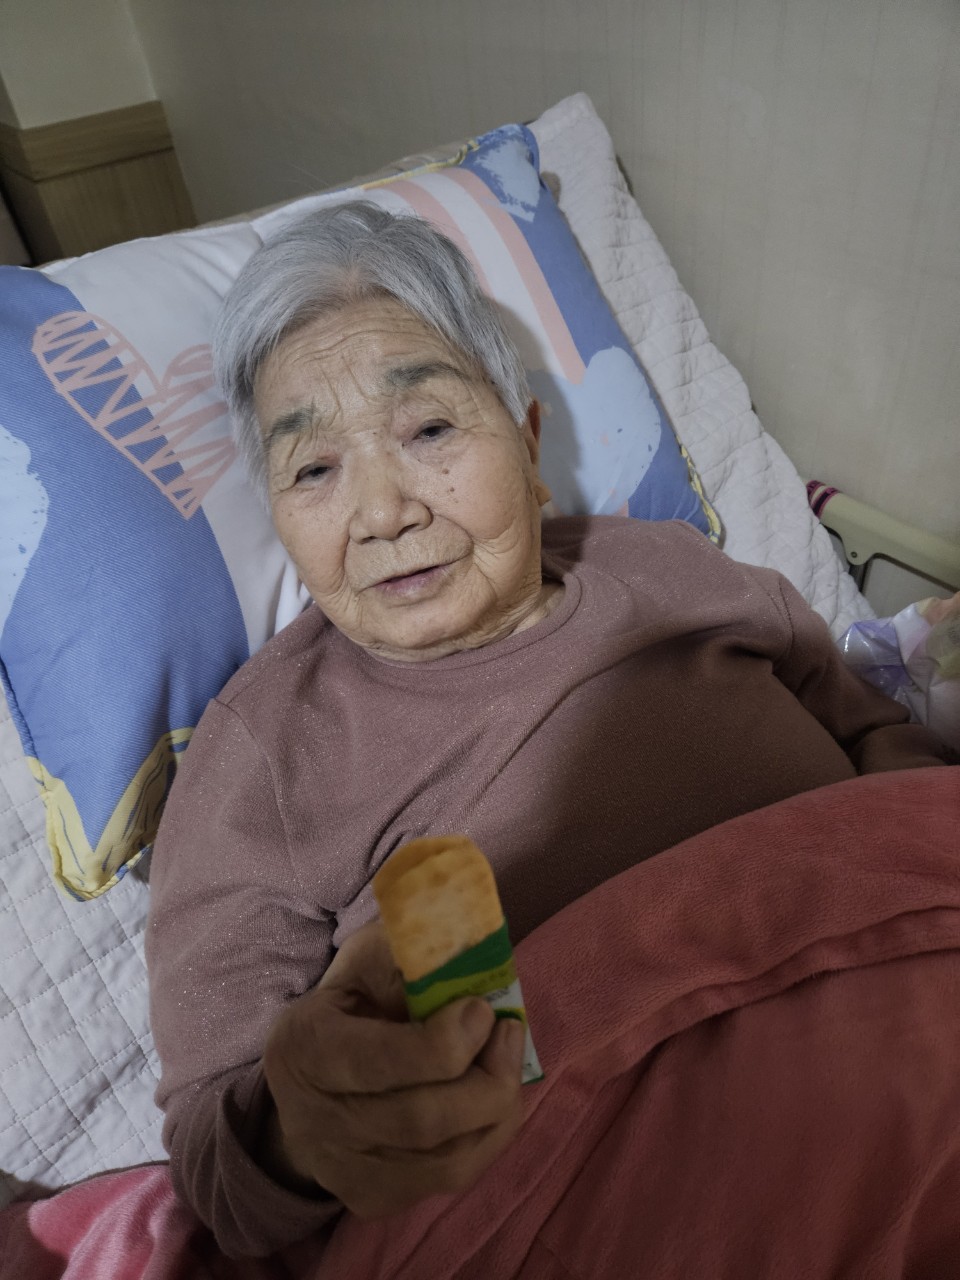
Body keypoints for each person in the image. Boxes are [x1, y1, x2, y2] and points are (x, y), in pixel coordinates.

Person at [145, 202, 951, 1261]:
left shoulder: (670, 566)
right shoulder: (264, 753)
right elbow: (217, 1164)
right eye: (313, 469)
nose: (383, 512)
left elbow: (873, 733)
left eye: (429, 429)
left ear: (526, 443)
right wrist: (308, 1130)